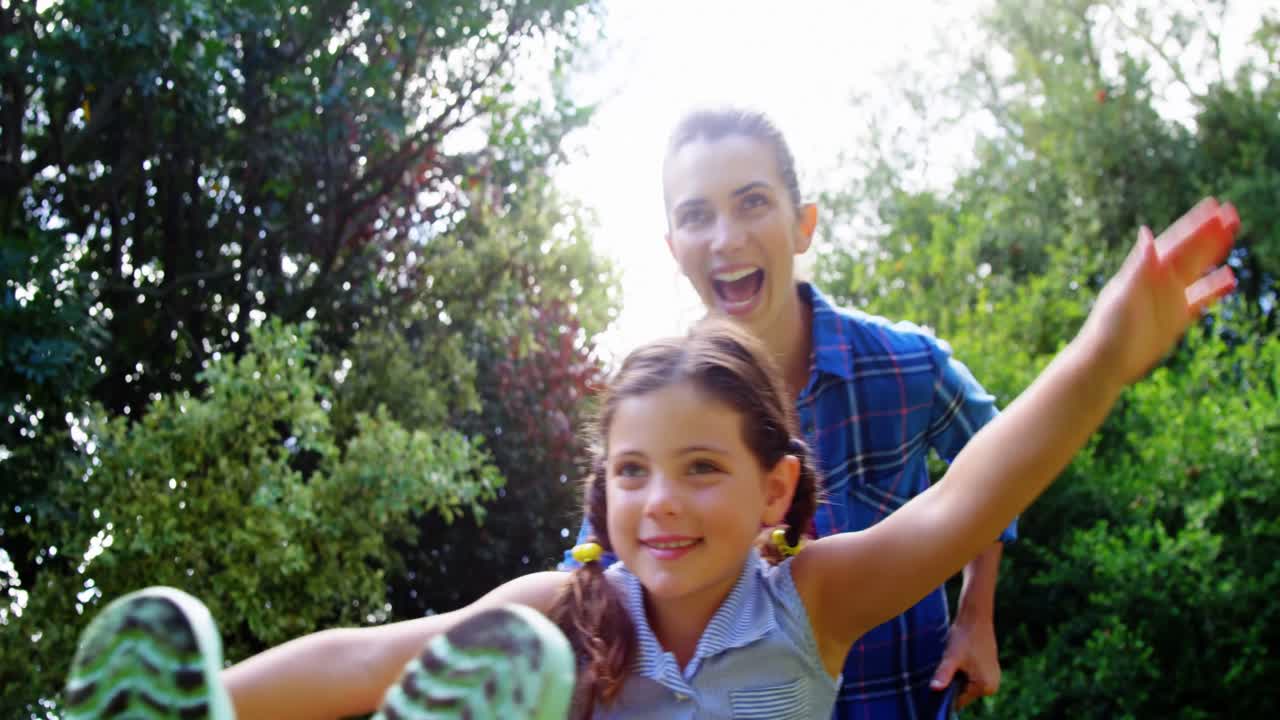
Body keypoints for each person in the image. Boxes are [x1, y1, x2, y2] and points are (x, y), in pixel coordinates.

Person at [64, 197, 1239, 719]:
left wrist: (1100, 354)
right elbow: (363, 656)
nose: (659, 505)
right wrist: (206, 704)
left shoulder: (811, 604)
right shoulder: (565, 615)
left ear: (776, 486)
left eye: (699, 470)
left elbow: (970, 493)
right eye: (630, 474)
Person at [567, 107, 1015, 715]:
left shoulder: (907, 365)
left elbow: (1004, 461)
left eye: (752, 202)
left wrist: (976, 613)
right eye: (696, 215)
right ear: (674, 248)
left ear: (802, 224)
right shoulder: (658, 405)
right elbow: (592, 568)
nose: (726, 239)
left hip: (899, 699)